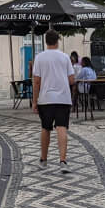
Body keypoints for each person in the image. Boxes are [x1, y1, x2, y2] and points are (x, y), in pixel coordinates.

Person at [32, 29, 75, 173]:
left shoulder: (39, 57)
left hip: (45, 98)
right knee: (62, 128)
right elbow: (71, 79)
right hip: (63, 98)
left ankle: (43, 160)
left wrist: (34, 101)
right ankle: (63, 161)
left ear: (46, 41)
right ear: (58, 41)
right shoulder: (65, 57)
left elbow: (36, 81)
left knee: (46, 128)